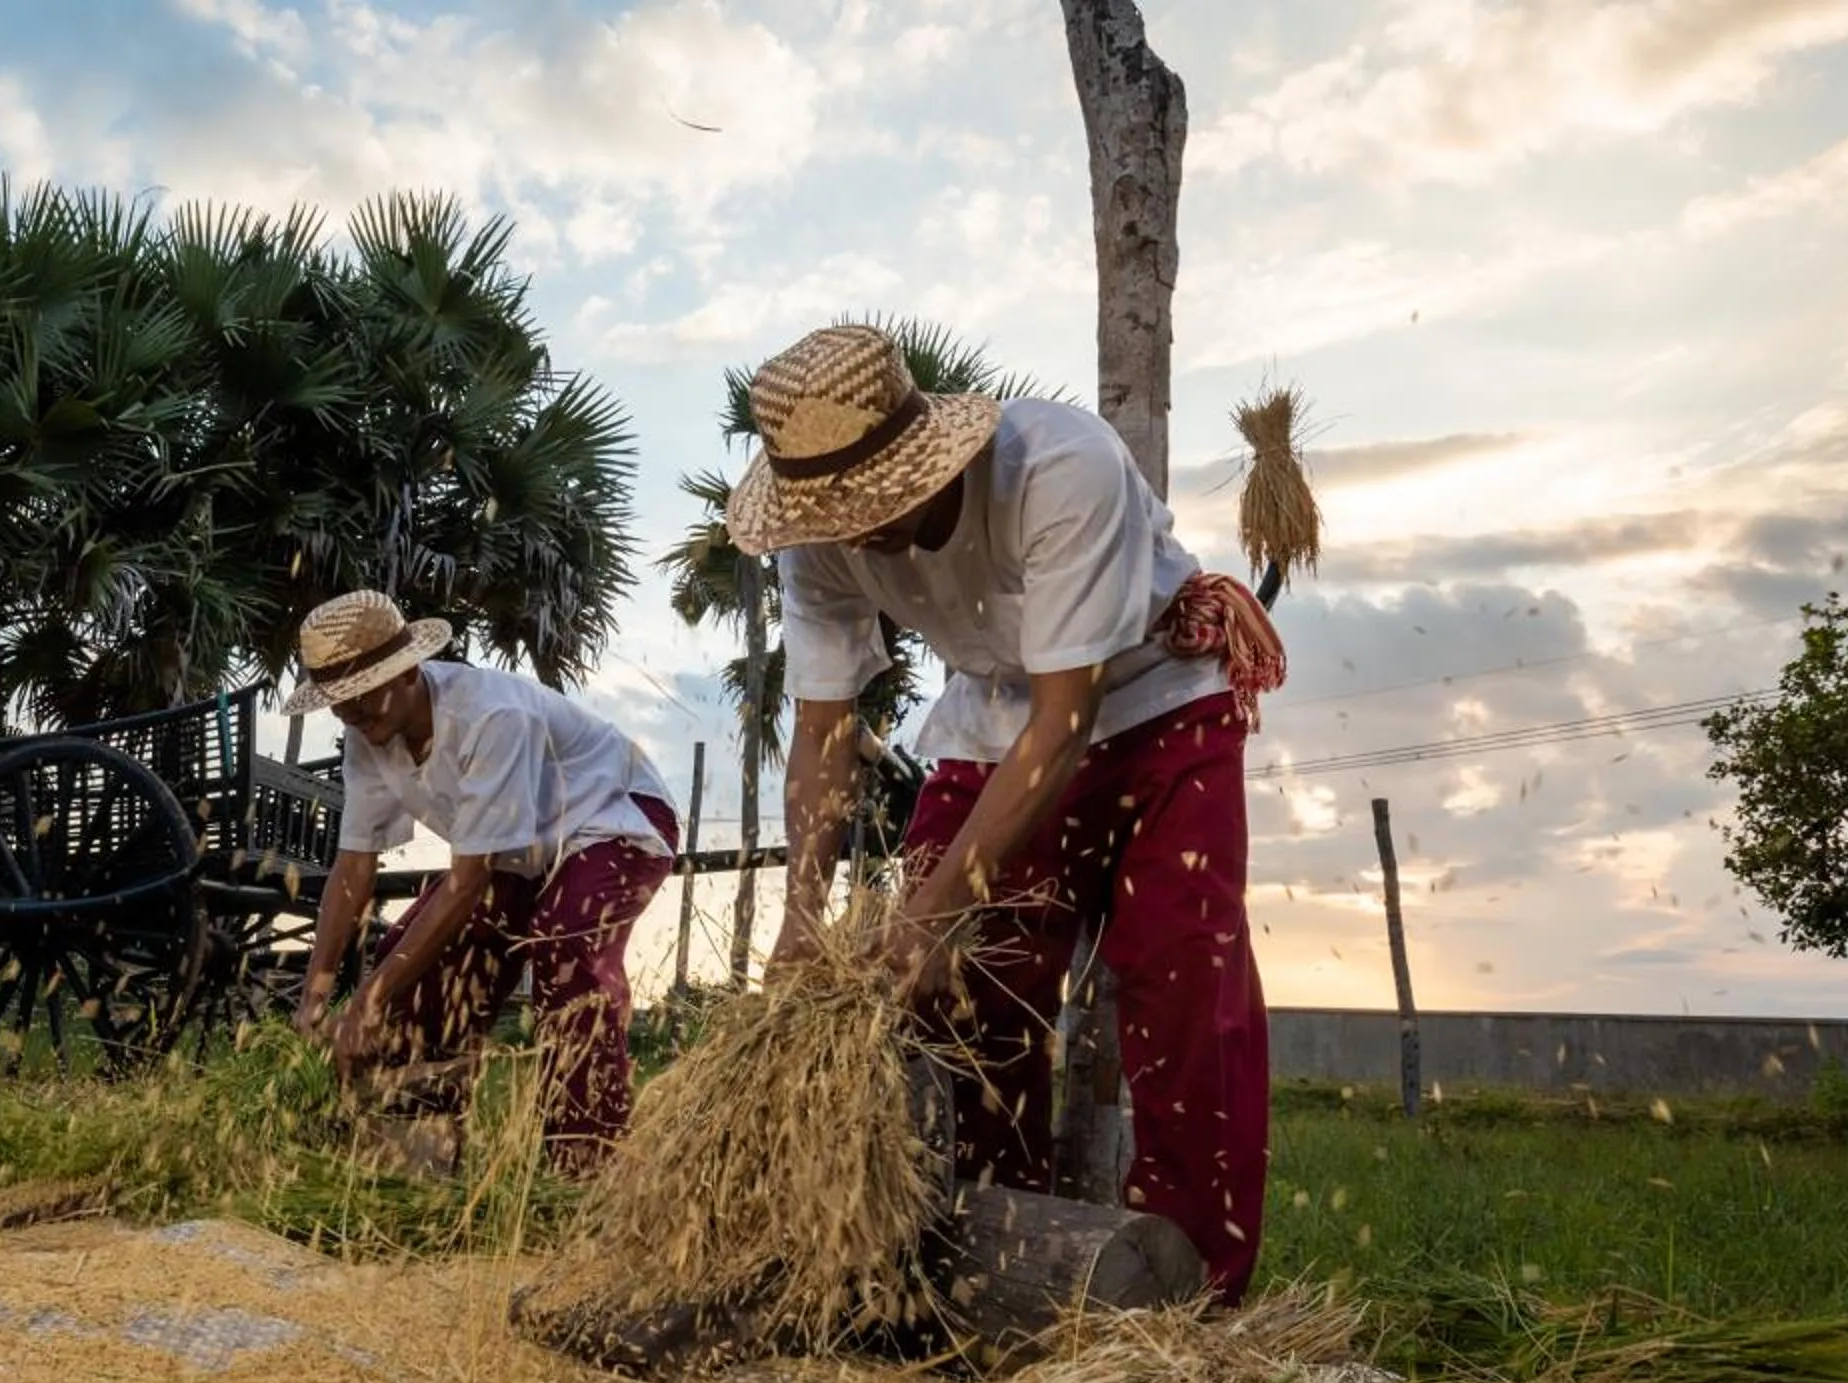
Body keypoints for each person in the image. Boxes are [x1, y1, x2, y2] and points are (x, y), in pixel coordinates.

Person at [726, 323, 1282, 1303]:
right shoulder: (817, 539)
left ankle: (1198, 1298)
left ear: (930, 451)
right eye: (837, 513)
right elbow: (821, 729)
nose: (860, 531)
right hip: (993, 720)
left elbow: (1068, 718)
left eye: (878, 500)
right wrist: (802, 916)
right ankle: (996, 1261)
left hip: (1155, 706)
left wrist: (928, 916)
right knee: (964, 999)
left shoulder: (1061, 465)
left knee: (1183, 981)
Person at [290, 590, 680, 1177]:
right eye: (338, 704)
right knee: (412, 958)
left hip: (614, 816)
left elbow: (468, 882)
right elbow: (354, 868)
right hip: (519, 849)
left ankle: (588, 1170)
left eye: (362, 698)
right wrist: (319, 991)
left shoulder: (492, 717)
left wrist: (369, 1000)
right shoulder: (366, 736)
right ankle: (414, 1162)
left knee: (565, 946)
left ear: (407, 671)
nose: (351, 715)